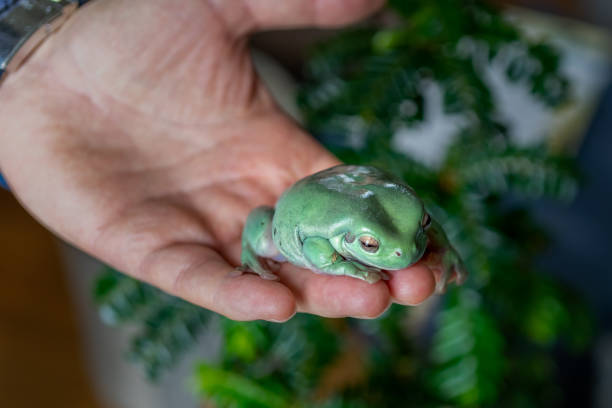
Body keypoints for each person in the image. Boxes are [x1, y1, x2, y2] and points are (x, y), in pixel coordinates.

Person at [0, 0, 441, 322]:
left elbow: (406, 230)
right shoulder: (329, 238)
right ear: (352, 238)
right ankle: (253, 252)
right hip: (301, 230)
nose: (402, 248)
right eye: (368, 244)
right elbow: (314, 246)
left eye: (417, 224)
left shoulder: (398, 225)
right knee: (265, 232)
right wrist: (345, 265)